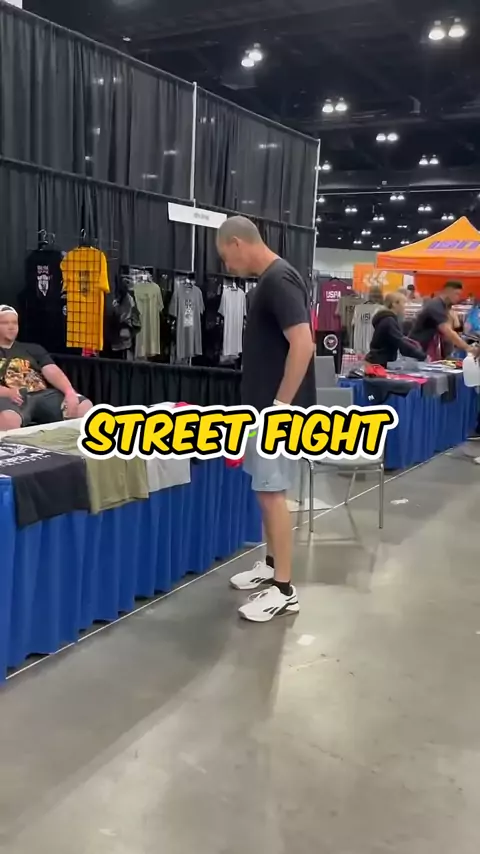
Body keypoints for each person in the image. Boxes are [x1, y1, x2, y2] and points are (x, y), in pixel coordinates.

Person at [216, 217, 315, 623]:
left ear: (237, 243)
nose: (227, 265)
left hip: (277, 414)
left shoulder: (279, 280)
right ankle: (273, 566)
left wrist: (280, 405)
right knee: (265, 491)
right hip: (263, 409)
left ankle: (284, 590)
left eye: (225, 256)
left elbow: (304, 344)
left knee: (273, 494)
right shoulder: (271, 281)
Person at [0, 305, 92, 431]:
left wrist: (69, 392)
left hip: (42, 394)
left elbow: (52, 370)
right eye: (5, 323)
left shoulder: (33, 348)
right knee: (8, 419)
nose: (11, 327)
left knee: (83, 406)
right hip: (11, 397)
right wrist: (7, 392)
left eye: (14, 323)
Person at [409, 281, 474, 360]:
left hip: (424, 348)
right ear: (448, 291)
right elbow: (448, 331)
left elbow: (449, 333)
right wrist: (468, 348)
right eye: (457, 294)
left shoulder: (442, 306)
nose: (458, 298)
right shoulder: (436, 306)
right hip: (417, 348)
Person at [365, 291, 426, 368]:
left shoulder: (387, 319)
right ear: (394, 304)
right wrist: (421, 355)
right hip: (378, 364)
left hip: (377, 361)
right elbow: (400, 342)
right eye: (403, 303)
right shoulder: (389, 321)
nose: (405, 306)